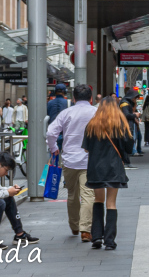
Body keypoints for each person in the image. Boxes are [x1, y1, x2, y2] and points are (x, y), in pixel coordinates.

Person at [47, 84, 99, 243]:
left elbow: (50, 132)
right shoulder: (96, 112)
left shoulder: (66, 113)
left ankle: (75, 225)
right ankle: (85, 230)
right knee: (88, 195)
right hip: (89, 160)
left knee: (72, 194)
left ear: (74, 98)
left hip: (69, 160)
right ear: (91, 98)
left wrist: (54, 148)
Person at [84, 95, 133, 250]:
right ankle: (110, 241)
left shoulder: (92, 124)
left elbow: (86, 148)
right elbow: (129, 147)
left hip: (96, 168)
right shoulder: (121, 124)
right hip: (113, 167)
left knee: (98, 200)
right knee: (111, 203)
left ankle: (97, 236)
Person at [120, 92, 143, 157]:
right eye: (135, 98)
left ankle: (132, 151)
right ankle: (131, 152)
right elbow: (126, 114)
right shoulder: (125, 103)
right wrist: (135, 115)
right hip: (127, 124)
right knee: (130, 138)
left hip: (129, 124)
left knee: (133, 138)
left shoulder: (127, 102)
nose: (135, 99)